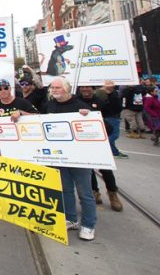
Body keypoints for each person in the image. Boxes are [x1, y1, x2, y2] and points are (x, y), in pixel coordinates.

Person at [43, 77, 97, 241]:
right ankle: (71, 219)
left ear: (67, 89)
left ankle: (88, 225)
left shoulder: (81, 106)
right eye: (52, 87)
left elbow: (103, 127)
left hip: (79, 157)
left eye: (58, 87)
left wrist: (89, 117)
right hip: (58, 156)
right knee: (65, 190)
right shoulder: (49, 105)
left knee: (85, 193)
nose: (55, 90)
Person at [78, 86, 122, 212]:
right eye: (83, 87)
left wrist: (112, 93)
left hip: (99, 140)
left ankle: (112, 193)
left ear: (93, 89)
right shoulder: (76, 101)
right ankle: (94, 191)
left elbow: (115, 111)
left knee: (106, 169)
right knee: (88, 170)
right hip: (82, 139)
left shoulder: (101, 101)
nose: (85, 89)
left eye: (88, 87)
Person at [97, 81, 126, 157]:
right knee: (114, 135)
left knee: (110, 134)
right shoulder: (103, 93)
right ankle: (102, 147)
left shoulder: (112, 93)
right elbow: (111, 105)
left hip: (110, 115)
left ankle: (114, 152)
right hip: (110, 116)